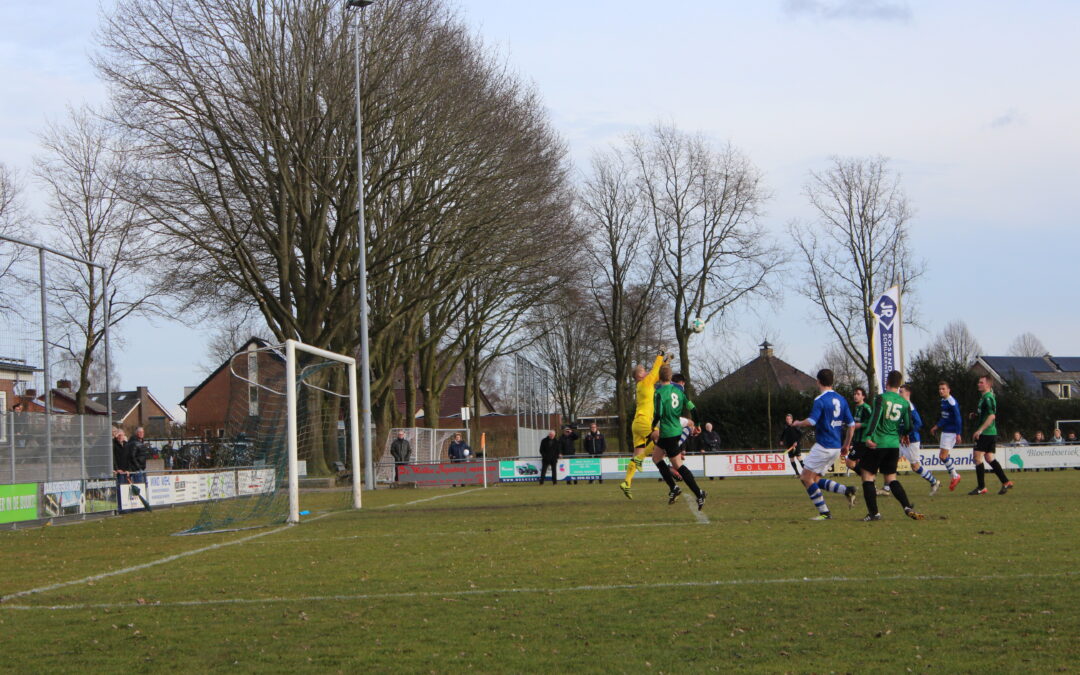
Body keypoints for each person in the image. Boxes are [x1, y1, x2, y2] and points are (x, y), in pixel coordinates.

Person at [791, 369, 858, 520]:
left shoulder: (820, 400)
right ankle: (847, 490)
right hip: (836, 447)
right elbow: (852, 425)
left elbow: (812, 421)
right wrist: (846, 445)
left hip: (823, 446)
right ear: (832, 381)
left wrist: (798, 423)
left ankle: (824, 513)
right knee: (814, 479)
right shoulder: (841, 399)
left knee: (805, 478)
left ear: (818, 381)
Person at [859, 370, 925, 521]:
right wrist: (905, 434)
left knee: (867, 476)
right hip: (893, 445)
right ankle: (907, 506)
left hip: (878, 443)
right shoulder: (904, 403)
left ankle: (874, 513)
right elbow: (909, 425)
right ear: (899, 385)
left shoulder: (881, 398)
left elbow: (875, 418)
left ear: (887, 382)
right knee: (891, 478)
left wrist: (868, 436)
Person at [650, 365, 706, 509]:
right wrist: (697, 424)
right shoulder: (679, 391)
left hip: (668, 433)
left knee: (678, 465)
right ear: (670, 377)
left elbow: (658, 414)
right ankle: (674, 488)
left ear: (659, 377)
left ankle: (698, 493)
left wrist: (652, 426)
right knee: (656, 457)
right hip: (674, 431)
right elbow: (693, 408)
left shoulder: (659, 392)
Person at [620, 351, 667, 499]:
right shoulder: (645, 382)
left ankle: (626, 482)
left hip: (637, 423)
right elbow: (655, 371)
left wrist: (666, 362)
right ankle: (641, 458)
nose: (645, 372)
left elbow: (660, 375)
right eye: (642, 371)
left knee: (637, 454)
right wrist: (660, 355)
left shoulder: (644, 384)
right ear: (639, 376)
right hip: (643, 421)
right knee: (662, 437)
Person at [968, 375, 1013, 495]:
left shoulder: (988, 398)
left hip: (986, 433)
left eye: (981, 382)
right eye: (978, 382)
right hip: (990, 433)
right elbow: (985, 414)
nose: (978, 384)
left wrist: (980, 430)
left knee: (977, 457)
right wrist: (975, 415)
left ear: (988, 384)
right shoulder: (984, 397)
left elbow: (992, 416)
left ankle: (981, 487)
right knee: (989, 458)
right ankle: (1006, 482)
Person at [898, 385, 941, 495]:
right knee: (890, 461)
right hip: (901, 440)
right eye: (899, 392)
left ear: (908, 393)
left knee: (915, 466)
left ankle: (934, 481)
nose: (899, 394)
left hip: (911, 440)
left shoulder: (909, 406)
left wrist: (907, 434)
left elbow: (918, 423)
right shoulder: (902, 406)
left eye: (901, 392)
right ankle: (886, 488)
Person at [927, 380, 964, 492]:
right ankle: (954, 476)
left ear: (949, 390)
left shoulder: (951, 402)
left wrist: (958, 433)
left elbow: (958, 418)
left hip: (951, 432)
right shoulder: (943, 401)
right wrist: (936, 426)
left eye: (943, 389)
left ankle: (955, 476)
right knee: (942, 456)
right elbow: (945, 418)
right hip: (945, 431)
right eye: (940, 389)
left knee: (943, 456)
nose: (941, 391)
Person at [845, 387, 872, 476]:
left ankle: (868, 478)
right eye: (854, 394)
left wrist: (860, 425)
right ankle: (868, 478)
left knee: (849, 462)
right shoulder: (855, 408)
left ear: (863, 396)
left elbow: (872, 422)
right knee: (858, 464)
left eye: (858, 394)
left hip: (863, 441)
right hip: (857, 441)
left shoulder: (866, 408)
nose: (855, 396)